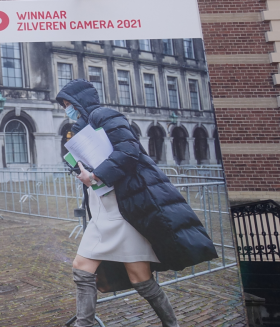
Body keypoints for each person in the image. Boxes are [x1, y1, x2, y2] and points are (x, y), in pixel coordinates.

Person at [57, 79, 217, 327]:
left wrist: (96, 175)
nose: (66, 109)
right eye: (64, 105)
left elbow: (128, 150)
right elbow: (86, 159)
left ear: (80, 101)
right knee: (81, 268)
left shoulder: (105, 115)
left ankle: (172, 324)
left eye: (68, 103)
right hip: (102, 208)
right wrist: (77, 168)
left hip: (125, 210)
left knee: (140, 277)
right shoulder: (79, 127)